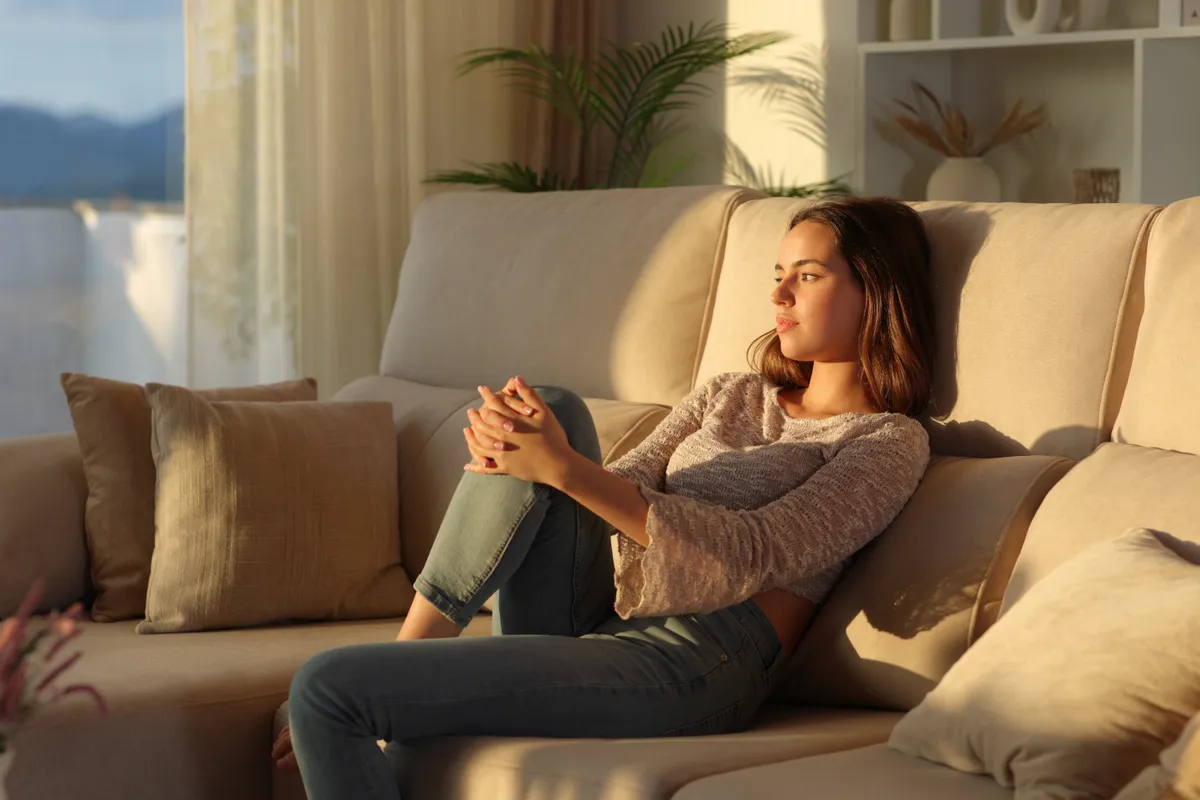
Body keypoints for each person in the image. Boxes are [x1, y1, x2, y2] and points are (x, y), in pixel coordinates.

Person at [272, 195, 936, 799]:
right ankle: (409, 649)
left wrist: (562, 468)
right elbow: (624, 481)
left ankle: (391, 672)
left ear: (874, 293)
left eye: (808, 275)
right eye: (777, 274)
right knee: (546, 408)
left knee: (328, 688)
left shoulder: (886, 442)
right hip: (604, 612)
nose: (780, 294)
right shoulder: (731, 393)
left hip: (698, 659)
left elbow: (754, 554)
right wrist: (540, 459)